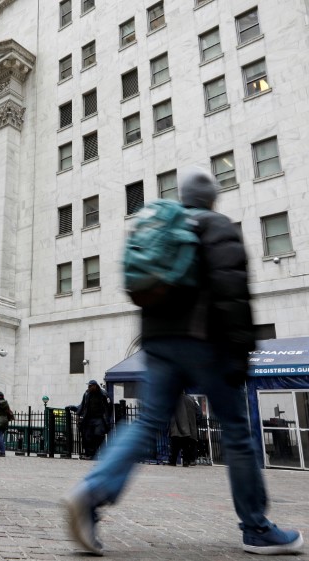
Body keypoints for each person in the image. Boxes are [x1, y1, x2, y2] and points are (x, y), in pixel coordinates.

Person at [64, 168, 304, 556]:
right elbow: (232, 292)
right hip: (206, 343)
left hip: (158, 344)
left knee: (146, 424)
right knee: (239, 435)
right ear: (211, 198)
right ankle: (257, 529)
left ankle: (92, 492)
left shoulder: (165, 227)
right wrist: (241, 351)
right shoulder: (218, 226)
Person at [76, 380, 112, 460]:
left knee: (98, 435)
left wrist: (108, 418)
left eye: (90, 386)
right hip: (88, 419)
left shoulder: (104, 394)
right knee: (88, 436)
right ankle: (90, 454)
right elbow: (83, 405)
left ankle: (101, 453)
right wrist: (78, 414)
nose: (88, 387)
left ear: (95, 386)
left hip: (99, 418)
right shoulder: (86, 394)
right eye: (88, 386)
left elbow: (109, 406)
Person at [169, 392, 200, 467]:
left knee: (175, 446)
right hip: (188, 426)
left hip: (175, 426)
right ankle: (186, 461)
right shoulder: (191, 399)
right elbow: (198, 412)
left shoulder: (173, 398)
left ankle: (173, 461)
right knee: (186, 445)